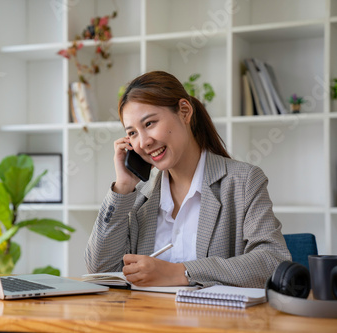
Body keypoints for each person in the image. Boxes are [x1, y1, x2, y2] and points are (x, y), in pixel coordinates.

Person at [84, 71, 291, 288]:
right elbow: (101, 269)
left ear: (184, 111)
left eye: (150, 123)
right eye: (133, 133)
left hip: (215, 320)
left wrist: (180, 272)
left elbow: (272, 261)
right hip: (147, 317)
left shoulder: (243, 181)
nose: (144, 142)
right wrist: (123, 187)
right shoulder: (138, 197)